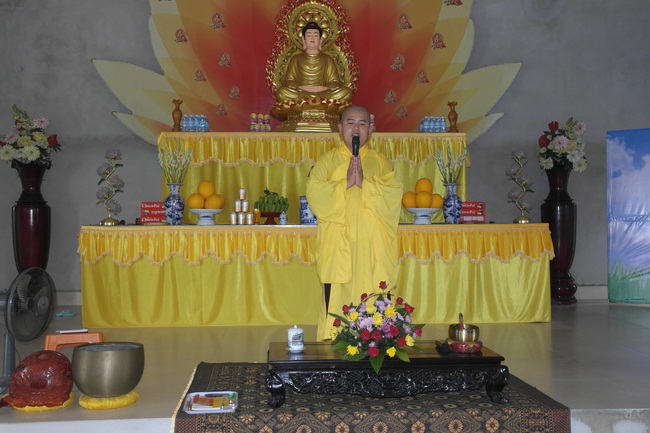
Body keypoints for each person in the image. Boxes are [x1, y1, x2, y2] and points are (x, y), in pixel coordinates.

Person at [306, 106, 403, 340]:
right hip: (339, 244)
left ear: (370, 130)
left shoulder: (381, 162)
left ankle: (378, 342)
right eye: (350, 123)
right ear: (340, 128)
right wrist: (345, 184)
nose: (356, 128)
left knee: (376, 289)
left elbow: (393, 196)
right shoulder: (326, 162)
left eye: (362, 123)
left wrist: (365, 185)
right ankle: (334, 341)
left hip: (372, 246)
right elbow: (315, 195)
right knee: (337, 292)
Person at [275, 21, 352, 102]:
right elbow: (288, 82)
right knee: (281, 92)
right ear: (303, 39)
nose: (312, 38)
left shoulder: (327, 59)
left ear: (320, 40)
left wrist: (323, 88)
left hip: (322, 94)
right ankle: (315, 102)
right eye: (308, 35)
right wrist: (301, 87)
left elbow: (335, 83)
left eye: (316, 35)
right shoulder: (296, 59)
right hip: (302, 93)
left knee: (346, 92)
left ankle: (311, 102)